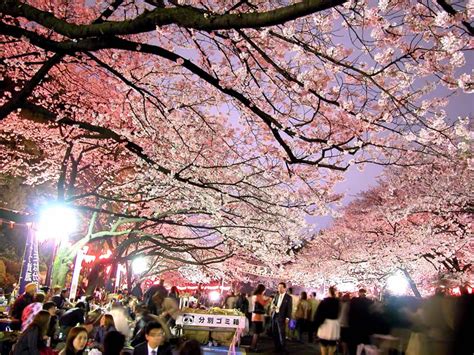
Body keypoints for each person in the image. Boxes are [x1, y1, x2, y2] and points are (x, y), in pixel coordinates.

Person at [315, 286, 340, 355]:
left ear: (329, 292)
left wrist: (317, 324)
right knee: (332, 344)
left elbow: (319, 314)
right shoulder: (338, 302)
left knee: (323, 344)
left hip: (325, 324)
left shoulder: (324, 301)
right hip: (334, 324)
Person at [348, 288, 373, 355]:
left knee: (354, 343)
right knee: (364, 342)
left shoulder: (354, 301)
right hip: (365, 325)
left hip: (355, 325)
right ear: (365, 293)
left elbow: (350, 313)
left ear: (359, 293)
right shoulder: (369, 302)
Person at [271, 282, 292, 354]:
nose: (279, 289)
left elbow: (289, 309)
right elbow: (273, 304)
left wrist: (287, 318)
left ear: (284, 288)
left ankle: (283, 349)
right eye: (278, 287)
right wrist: (273, 307)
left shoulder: (288, 297)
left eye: (281, 287)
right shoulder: (276, 295)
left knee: (282, 334)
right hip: (275, 316)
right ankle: (277, 348)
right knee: (275, 333)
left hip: (282, 317)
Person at [250, 284, 271, 352]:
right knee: (257, 333)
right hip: (258, 317)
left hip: (254, 316)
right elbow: (263, 304)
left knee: (256, 332)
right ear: (262, 290)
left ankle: (253, 346)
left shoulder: (254, 296)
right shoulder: (259, 296)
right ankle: (253, 347)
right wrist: (269, 299)